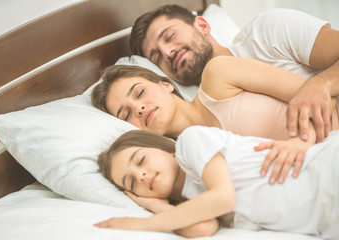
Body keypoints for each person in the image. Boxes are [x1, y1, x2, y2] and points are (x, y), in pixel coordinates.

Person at [91, 56, 339, 184]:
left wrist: (303, 139)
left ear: (166, 85)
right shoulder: (183, 162)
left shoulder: (218, 76)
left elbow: (321, 94)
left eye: (139, 93)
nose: (139, 108)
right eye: (125, 114)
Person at [129, 4, 339, 143]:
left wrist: (319, 85)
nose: (167, 52)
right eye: (156, 57)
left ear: (202, 25)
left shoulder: (267, 31)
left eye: (170, 36)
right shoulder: (199, 121)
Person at [93, 126, 339, 239]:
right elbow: (203, 229)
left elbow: (223, 197)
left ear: (163, 148)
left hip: (327, 171)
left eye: (141, 160)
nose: (142, 176)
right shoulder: (192, 205)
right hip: (328, 219)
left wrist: (146, 224)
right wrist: (156, 205)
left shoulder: (190, 142)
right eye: (132, 182)